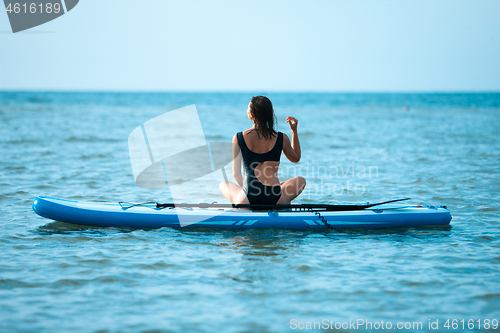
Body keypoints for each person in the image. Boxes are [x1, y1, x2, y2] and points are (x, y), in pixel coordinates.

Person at [219, 96, 306, 205]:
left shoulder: (238, 137)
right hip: (274, 198)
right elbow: (296, 158)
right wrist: (294, 131)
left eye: (248, 108)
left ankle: (243, 204)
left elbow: (235, 173)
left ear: (252, 114)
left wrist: (247, 191)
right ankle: (283, 204)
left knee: (224, 183)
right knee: (300, 180)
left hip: (248, 198)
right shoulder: (281, 138)